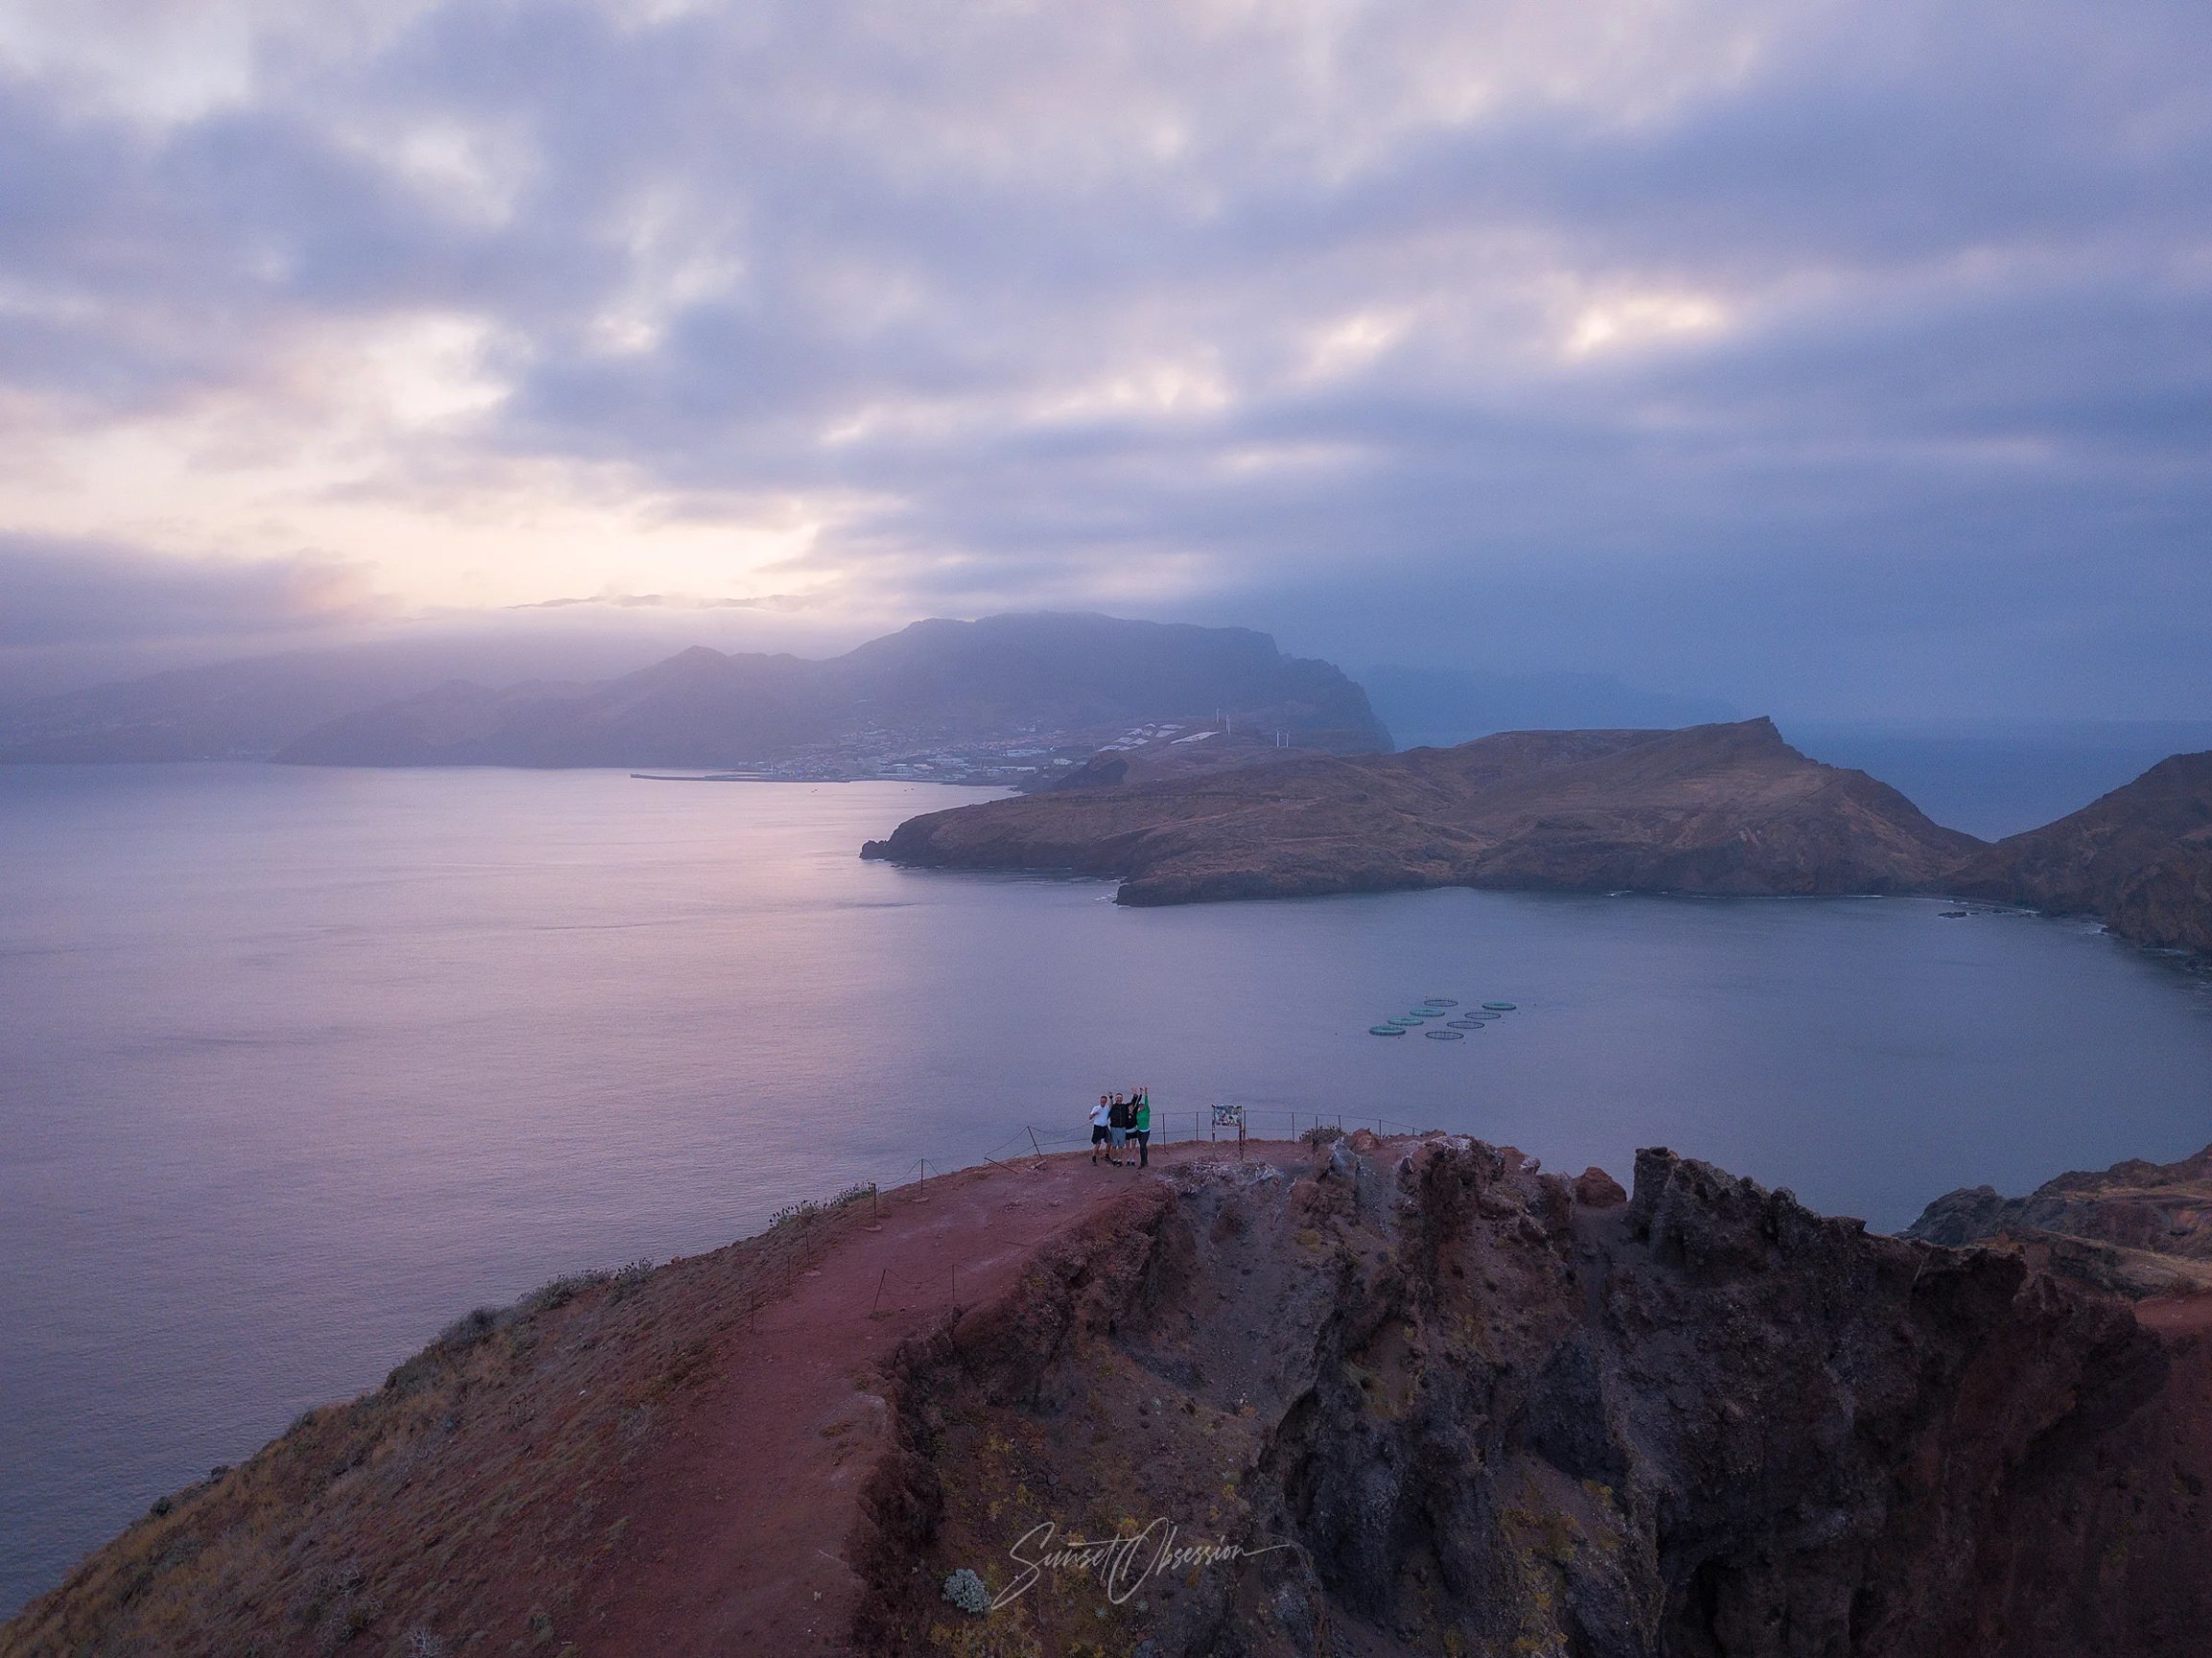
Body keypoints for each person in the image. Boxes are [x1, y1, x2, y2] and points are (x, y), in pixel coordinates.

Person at [1107, 1092, 1130, 1164]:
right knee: (1114, 1145)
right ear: (1115, 1099)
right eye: (1117, 1098)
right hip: (1114, 1128)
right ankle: (1114, 1159)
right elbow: (1110, 1105)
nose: (1119, 1099)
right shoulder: (1113, 1107)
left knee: (1121, 1146)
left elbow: (1133, 1104)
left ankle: (1119, 1160)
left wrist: (1136, 1095)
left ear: (1122, 1099)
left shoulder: (1125, 1107)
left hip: (1122, 1128)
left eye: (1120, 1098)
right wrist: (1110, 1098)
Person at [1089, 1095, 1112, 1165]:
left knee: (1110, 1141)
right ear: (1100, 1101)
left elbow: (1112, 1105)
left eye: (1104, 1101)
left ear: (1106, 1101)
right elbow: (1090, 1117)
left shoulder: (1107, 1108)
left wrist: (1111, 1097)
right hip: (1098, 1128)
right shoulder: (1096, 1108)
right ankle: (1094, 1158)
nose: (1102, 1102)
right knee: (1098, 1144)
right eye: (1101, 1101)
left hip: (1105, 1127)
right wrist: (1094, 1114)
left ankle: (1107, 1155)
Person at [1132, 1087, 1151, 1168]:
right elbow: (1134, 1106)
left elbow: (1146, 1103)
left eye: (1142, 1105)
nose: (1141, 1106)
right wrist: (1135, 1094)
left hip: (1146, 1131)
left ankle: (1142, 1163)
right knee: (1143, 1146)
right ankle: (1146, 1161)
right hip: (1139, 1131)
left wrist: (1146, 1094)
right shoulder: (1138, 1113)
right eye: (1140, 1105)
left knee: (1142, 1146)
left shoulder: (1147, 1111)